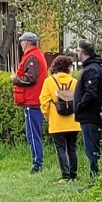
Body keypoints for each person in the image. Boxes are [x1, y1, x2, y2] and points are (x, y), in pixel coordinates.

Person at [10, 33, 50, 174]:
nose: (21, 44)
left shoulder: (32, 57)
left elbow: (30, 78)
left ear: (26, 42)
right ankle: (37, 162)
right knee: (33, 133)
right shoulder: (37, 55)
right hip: (34, 100)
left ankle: (37, 164)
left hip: (32, 101)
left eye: (22, 42)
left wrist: (15, 79)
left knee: (32, 134)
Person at [39, 52, 80, 181]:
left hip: (57, 122)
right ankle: (73, 175)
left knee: (61, 148)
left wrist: (47, 115)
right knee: (72, 148)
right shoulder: (75, 82)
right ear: (69, 68)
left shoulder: (49, 82)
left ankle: (65, 176)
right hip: (73, 121)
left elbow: (44, 101)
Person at [70, 42, 102, 176]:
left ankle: (95, 177)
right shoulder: (93, 67)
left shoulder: (92, 69)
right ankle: (95, 176)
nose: (76, 53)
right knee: (92, 148)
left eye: (77, 50)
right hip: (89, 115)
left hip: (90, 115)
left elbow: (91, 93)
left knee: (92, 149)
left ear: (82, 52)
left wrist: (79, 106)